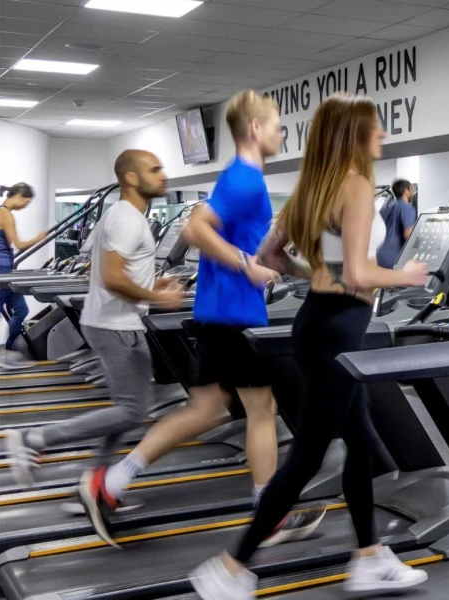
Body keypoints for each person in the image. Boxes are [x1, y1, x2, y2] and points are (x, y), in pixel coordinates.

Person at [188, 93, 430, 600]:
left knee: (361, 440)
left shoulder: (312, 188)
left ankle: (369, 557)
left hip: (317, 323)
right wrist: (405, 277)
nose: (382, 134)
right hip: (339, 330)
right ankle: (230, 567)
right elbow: (360, 273)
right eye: (374, 126)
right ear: (353, 134)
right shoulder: (356, 185)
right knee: (309, 455)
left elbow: (270, 255)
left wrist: (318, 274)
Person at [77, 90, 320, 547]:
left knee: (206, 410)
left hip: (216, 312)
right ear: (255, 129)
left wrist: (313, 272)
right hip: (235, 316)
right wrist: (246, 266)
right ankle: (268, 514)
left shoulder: (242, 180)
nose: (282, 133)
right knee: (263, 410)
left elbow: (263, 254)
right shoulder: (245, 179)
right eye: (276, 125)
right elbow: (195, 228)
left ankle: (109, 482)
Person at [2, 152, 185, 491]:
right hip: (115, 325)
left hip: (118, 322)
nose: (163, 175)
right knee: (131, 411)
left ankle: (96, 483)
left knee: (127, 409)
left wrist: (152, 284)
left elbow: (118, 273)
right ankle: (36, 438)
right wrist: (158, 297)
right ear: (131, 177)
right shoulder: (127, 219)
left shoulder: (123, 216)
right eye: (154, 170)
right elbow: (113, 278)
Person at [0, 183, 48, 364]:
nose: (24, 207)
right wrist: (39, 238)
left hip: (6, 269)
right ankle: (6, 353)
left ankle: (8, 351)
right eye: (26, 203)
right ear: (19, 197)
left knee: (21, 310)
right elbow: (19, 244)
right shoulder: (5, 213)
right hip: (2, 270)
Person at [375, 178, 416, 268]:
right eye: (411, 189)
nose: (413, 192)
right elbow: (408, 234)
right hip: (394, 258)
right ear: (406, 191)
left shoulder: (386, 207)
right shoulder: (407, 208)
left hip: (379, 256)